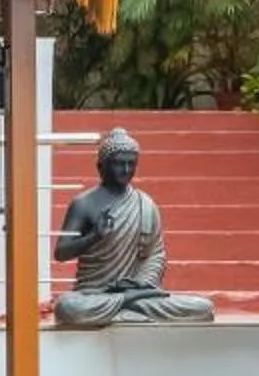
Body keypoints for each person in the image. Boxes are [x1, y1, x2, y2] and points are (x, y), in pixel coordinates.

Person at [51, 128, 215, 327]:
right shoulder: (84, 203)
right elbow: (61, 252)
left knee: (202, 306)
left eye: (132, 164)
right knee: (68, 308)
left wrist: (141, 284)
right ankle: (128, 304)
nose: (126, 170)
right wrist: (94, 236)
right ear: (101, 167)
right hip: (94, 293)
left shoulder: (145, 204)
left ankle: (126, 305)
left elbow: (156, 254)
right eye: (119, 163)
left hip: (138, 291)